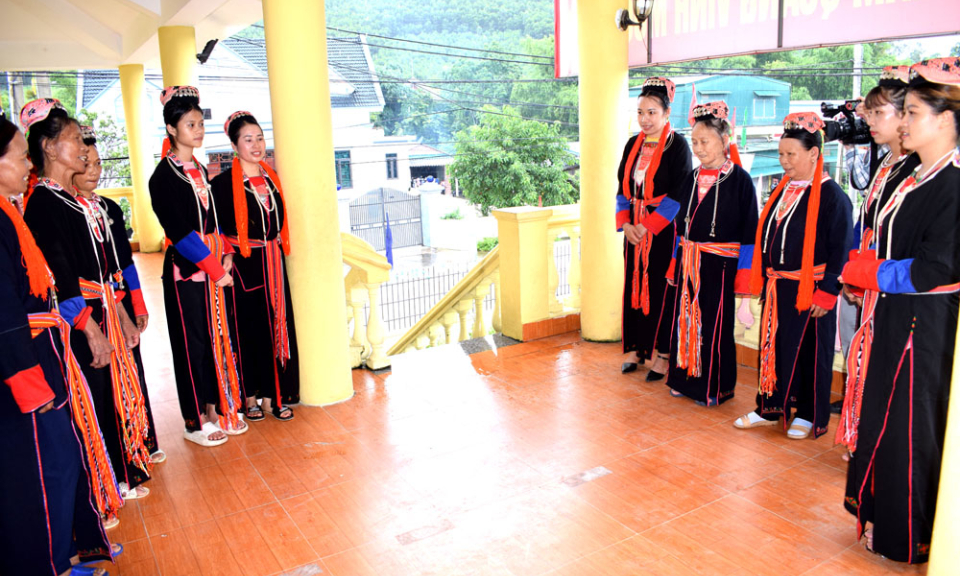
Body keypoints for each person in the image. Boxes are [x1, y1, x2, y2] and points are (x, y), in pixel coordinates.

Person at [841, 58, 960, 564]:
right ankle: (882, 519)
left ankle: (907, 533)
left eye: (911, 111)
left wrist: (871, 273)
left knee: (910, 427)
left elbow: (936, 267)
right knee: (884, 421)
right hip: (895, 315)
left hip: (924, 324)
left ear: (946, 118)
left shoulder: (953, 183)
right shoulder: (914, 175)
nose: (903, 122)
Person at [21, 100, 153, 513]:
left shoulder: (74, 201)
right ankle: (100, 488)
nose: (83, 147)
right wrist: (91, 329)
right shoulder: (42, 202)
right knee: (89, 402)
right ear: (48, 146)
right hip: (78, 323)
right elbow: (61, 276)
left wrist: (121, 315)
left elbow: (105, 271)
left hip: (101, 311)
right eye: (75, 139)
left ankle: (117, 473)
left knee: (110, 394)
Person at [0, 114, 114, 576]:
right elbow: (5, 310)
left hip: (44, 349)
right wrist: (31, 385)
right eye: (19, 155)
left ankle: (65, 555)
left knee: (62, 459)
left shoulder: (12, 210)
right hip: (27, 365)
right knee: (40, 473)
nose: (27, 163)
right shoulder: (24, 209)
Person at [734, 112, 852, 439]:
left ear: (814, 154)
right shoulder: (782, 190)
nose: (784, 162)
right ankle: (770, 406)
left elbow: (840, 250)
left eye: (791, 155)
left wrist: (827, 292)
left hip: (811, 290)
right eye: (781, 155)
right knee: (775, 347)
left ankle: (809, 414)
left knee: (811, 352)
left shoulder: (833, 198)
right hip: (778, 288)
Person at [148, 86, 246, 447]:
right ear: (172, 129)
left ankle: (215, 408)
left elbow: (214, 223)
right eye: (190, 124)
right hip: (187, 269)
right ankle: (195, 421)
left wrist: (226, 255)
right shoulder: (163, 177)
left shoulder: (200, 170)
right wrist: (215, 268)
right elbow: (180, 231)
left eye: (200, 123)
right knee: (193, 344)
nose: (198, 130)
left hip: (213, 266)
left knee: (215, 338)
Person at [836, 66, 920, 455]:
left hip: (894, 288)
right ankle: (862, 436)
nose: (868, 121)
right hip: (869, 280)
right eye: (868, 113)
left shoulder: (917, 170)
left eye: (878, 112)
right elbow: (865, 224)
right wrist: (855, 276)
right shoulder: (885, 164)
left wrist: (868, 276)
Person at [73, 125, 165, 472]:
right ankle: (120, 453)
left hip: (120, 301)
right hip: (95, 305)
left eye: (98, 164)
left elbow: (125, 261)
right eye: (86, 164)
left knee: (134, 371)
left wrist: (137, 305)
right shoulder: (70, 211)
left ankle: (144, 437)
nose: (94, 171)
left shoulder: (108, 208)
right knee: (109, 380)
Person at [664, 101, 758, 405]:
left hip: (721, 266)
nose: (698, 148)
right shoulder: (689, 179)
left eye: (705, 141)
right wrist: (674, 264)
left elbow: (750, 235)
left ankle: (714, 387)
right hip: (689, 262)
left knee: (715, 326)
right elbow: (679, 229)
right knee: (684, 320)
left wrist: (744, 282)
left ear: (724, 140)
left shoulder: (741, 181)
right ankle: (683, 379)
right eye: (694, 142)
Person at [211, 111, 299, 420]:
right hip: (244, 265)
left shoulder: (272, 178)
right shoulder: (221, 185)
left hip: (273, 261)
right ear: (235, 145)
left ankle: (273, 397)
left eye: (260, 137)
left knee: (277, 325)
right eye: (248, 139)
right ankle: (249, 398)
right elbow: (217, 228)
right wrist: (226, 256)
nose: (256, 144)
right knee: (248, 332)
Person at [616, 76, 692, 380]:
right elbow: (621, 189)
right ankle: (636, 348)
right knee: (632, 285)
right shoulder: (632, 144)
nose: (645, 119)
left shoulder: (678, 145)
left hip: (662, 232)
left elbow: (679, 193)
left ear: (666, 114)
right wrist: (627, 225)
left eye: (652, 113)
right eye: (640, 112)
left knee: (661, 289)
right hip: (634, 228)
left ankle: (662, 354)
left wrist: (647, 227)